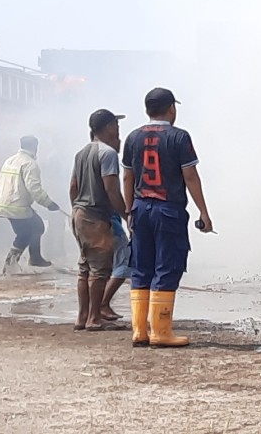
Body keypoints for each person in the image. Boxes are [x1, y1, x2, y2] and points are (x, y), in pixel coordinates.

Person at [122, 88, 213, 348]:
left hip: (140, 208)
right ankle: (161, 332)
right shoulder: (179, 137)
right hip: (168, 210)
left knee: (141, 268)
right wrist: (203, 211)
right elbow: (190, 176)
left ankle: (140, 331)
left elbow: (127, 177)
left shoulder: (132, 138)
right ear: (171, 108)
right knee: (167, 267)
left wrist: (129, 210)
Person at [68, 109, 128, 331]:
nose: (118, 128)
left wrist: (76, 210)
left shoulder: (81, 153)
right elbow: (111, 189)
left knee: (85, 268)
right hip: (96, 216)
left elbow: (73, 187)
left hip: (80, 214)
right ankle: (95, 318)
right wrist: (126, 215)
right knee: (99, 270)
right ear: (109, 127)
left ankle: (82, 317)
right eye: (115, 124)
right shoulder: (108, 154)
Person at [0, 135, 62, 273]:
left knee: (35, 227)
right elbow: (34, 189)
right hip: (16, 206)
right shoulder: (30, 164)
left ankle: (33, 258)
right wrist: (48, 203)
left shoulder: (10, 160)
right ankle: (11, 263)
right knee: (27, 232)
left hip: (5, 203)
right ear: (35, 147)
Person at [102, 212, 130, 321]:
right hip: (111, 226)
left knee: (99, 267)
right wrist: (128, 217)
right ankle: (103, 304)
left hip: (90, 225)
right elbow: (115, 198)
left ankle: (91, 310)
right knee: (123, 265)